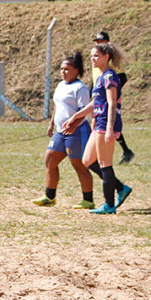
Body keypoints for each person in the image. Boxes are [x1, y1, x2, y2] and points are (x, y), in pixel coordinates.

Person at [63, 42, 132, 215]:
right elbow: (96, 103)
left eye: (96, 56)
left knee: (104, 164)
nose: (92, 59)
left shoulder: (109, 76)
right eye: (91, 56)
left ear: (106, 57)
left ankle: (109, 205)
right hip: (99, 122)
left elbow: (112, 102)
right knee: (87, 161)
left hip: (106, 123)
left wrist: (109, 129)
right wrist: (76, 116)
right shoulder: (100, 77)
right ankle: (121, 188)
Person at [32, 51, 95, 209]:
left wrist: (73, 125)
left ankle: (88, 200)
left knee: (79, 166)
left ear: (76, 70)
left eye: (67, 69)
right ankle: (49, 197)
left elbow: (85, 111)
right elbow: (58, 106)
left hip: (77, 131)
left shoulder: (80, 88)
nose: (63, 72)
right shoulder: (60, 85)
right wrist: (52, 123)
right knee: (50, 160)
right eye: (61, 69)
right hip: (61, 132)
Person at [92, 31, 134, 164]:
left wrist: (113, 92)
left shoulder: (112, 63)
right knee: (100, 124)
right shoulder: (97, 61)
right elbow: (96, 80)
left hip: (110, 96)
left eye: (102, 41)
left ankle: (120, 152)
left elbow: (122, 77)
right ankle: (124, 151)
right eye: (97, 42)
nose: (99, 43)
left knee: (110, 123)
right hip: (99, 97)